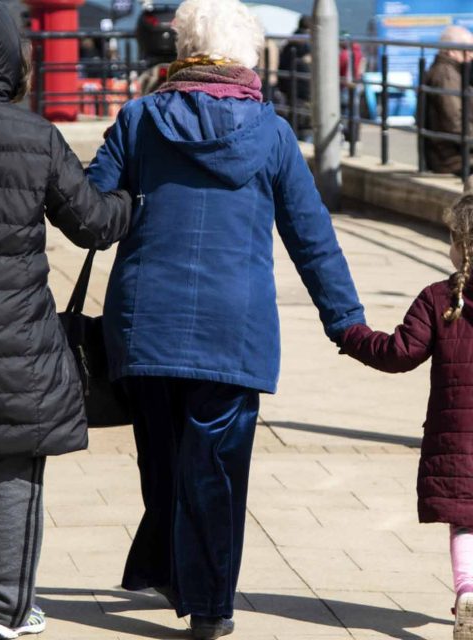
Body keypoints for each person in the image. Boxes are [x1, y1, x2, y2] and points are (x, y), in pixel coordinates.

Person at [87, 0, 365, 638]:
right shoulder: (269, 134)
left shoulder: (138, 119)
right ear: (247, 56)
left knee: (161, 459)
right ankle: (209, 607)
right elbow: (311, 236)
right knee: (216, 469)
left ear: (183, 49)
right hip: (233, 332)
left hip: (144, 321)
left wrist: (138, 201)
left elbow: (91, 209)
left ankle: (171, 570)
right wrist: (346, 322)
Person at [0, 3, 131, 639]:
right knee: (15, 477)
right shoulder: (35, 136)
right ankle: (6, 610)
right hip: (18, 343)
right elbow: (94, 224)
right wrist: (133, 199)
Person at [341, 192, 473, 640]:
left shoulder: (438, 298)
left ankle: (468, 591)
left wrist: (352, 334)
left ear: (459, 245)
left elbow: (399, 354)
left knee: (465, 520)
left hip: (457, 437)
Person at [423, 26, 473, 175]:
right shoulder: (446, 76)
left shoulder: (452, 72)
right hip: (452, 158)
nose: (472, 55)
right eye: (468, 50)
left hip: (453, 154)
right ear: (451, 51)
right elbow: (455, 122)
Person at [277, 15, 312, 140]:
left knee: (293, 119)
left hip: (288, 87)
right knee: (305, 123)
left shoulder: (289, 42)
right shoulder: (307, 43)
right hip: (304, 90)